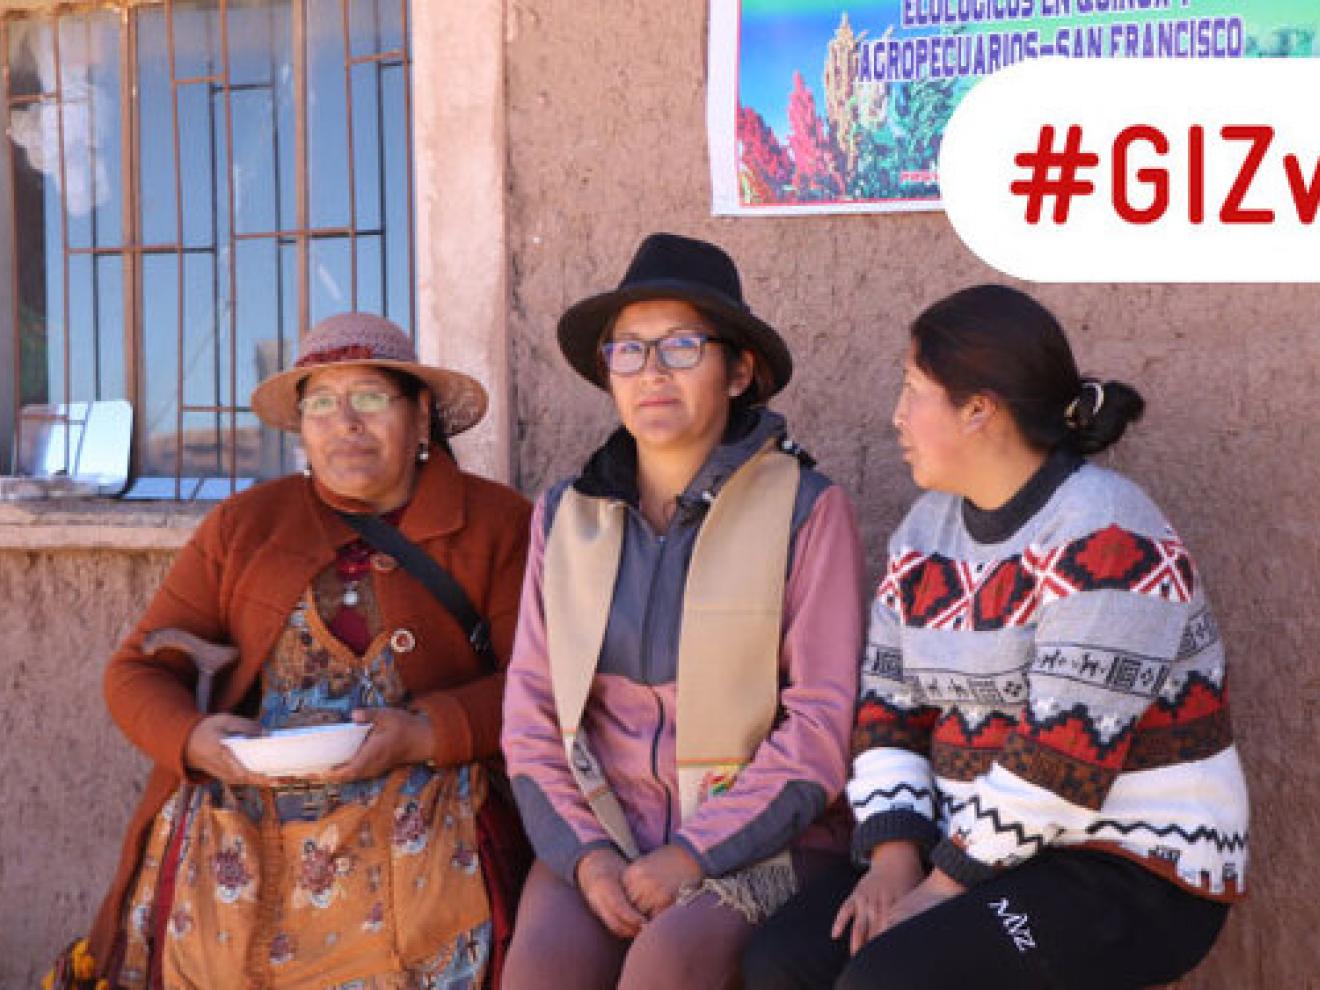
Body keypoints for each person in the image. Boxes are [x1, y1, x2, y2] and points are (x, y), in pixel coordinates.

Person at [742, 284, 1250, 990]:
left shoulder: (1108, 533)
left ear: (979, 409)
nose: (897, 415)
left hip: (1132, 867)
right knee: (783, 962)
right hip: (974, 847)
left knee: (892, 978)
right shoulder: (926, 533)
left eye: (913, 389)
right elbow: (887, 710)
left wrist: (940, 887)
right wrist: (894, 856)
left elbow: (1062, 758)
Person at [86, 313, 531, 989]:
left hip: (425, 812)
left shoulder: (498, 523)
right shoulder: (244, 525)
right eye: (321, 403)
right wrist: (195, 739)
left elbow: (540, 686)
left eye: (371, 398)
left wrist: (427, 733)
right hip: (247, 818)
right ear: (301, 427)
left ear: (421, 418)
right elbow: (137, 671)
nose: (345, 423)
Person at [500, 233, 864, 990]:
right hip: (604, 825)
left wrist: (691, 855)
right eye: (628, 350)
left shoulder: (806, 508)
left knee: (666, 966)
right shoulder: (566, 516)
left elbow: (819, 730)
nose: (651, 372)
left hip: (763, 839)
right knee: (541, 972)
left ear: (740, 371)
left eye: (682, 346)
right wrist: (587, 857)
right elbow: (531, 720)